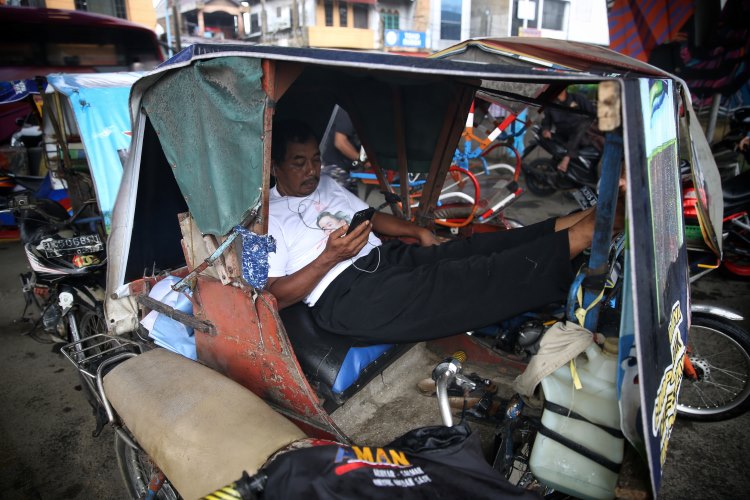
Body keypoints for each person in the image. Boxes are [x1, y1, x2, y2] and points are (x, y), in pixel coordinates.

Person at [266, 120, 607, 344]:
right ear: (275, 166)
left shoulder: (326, 183)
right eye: (299, 163)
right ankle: (583, 236)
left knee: (472, 249)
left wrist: (418, 232)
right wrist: (329, 258)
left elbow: (371, 217)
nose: (312, 170)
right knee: (460, 277)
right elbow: (276, 297)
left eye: (314, 159)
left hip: (386, 259)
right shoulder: (268, 219)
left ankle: (576, 224)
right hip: (347, 296)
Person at [540, 87, 601, 173]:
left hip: (582, 136)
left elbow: (593, 113)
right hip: (563, 136)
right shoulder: (551, 105)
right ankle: (563, 160)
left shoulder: (578, 98)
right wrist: (546, 130)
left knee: (583, 124)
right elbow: (546, 121)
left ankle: (567, 157)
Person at [320, 105, 365, 191]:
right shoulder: (347, 109)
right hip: (334, 170)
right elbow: (340, 142)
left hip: (347, 171)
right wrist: (362, 160)